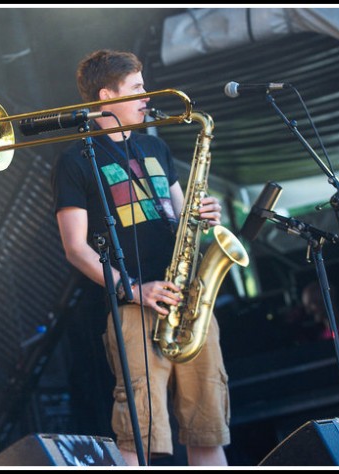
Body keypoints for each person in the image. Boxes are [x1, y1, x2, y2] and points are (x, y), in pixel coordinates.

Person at [51, 49, 229, 466]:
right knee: (139, 436)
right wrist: (135, 290)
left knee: (208, 430)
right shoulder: (75, 159)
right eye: (137, 88)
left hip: (186, 300)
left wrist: (204, 216)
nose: (147, 96)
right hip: (133, 305)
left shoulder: (156, 147)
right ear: (106, 95)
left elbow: (180, 214)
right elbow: (75, 248)